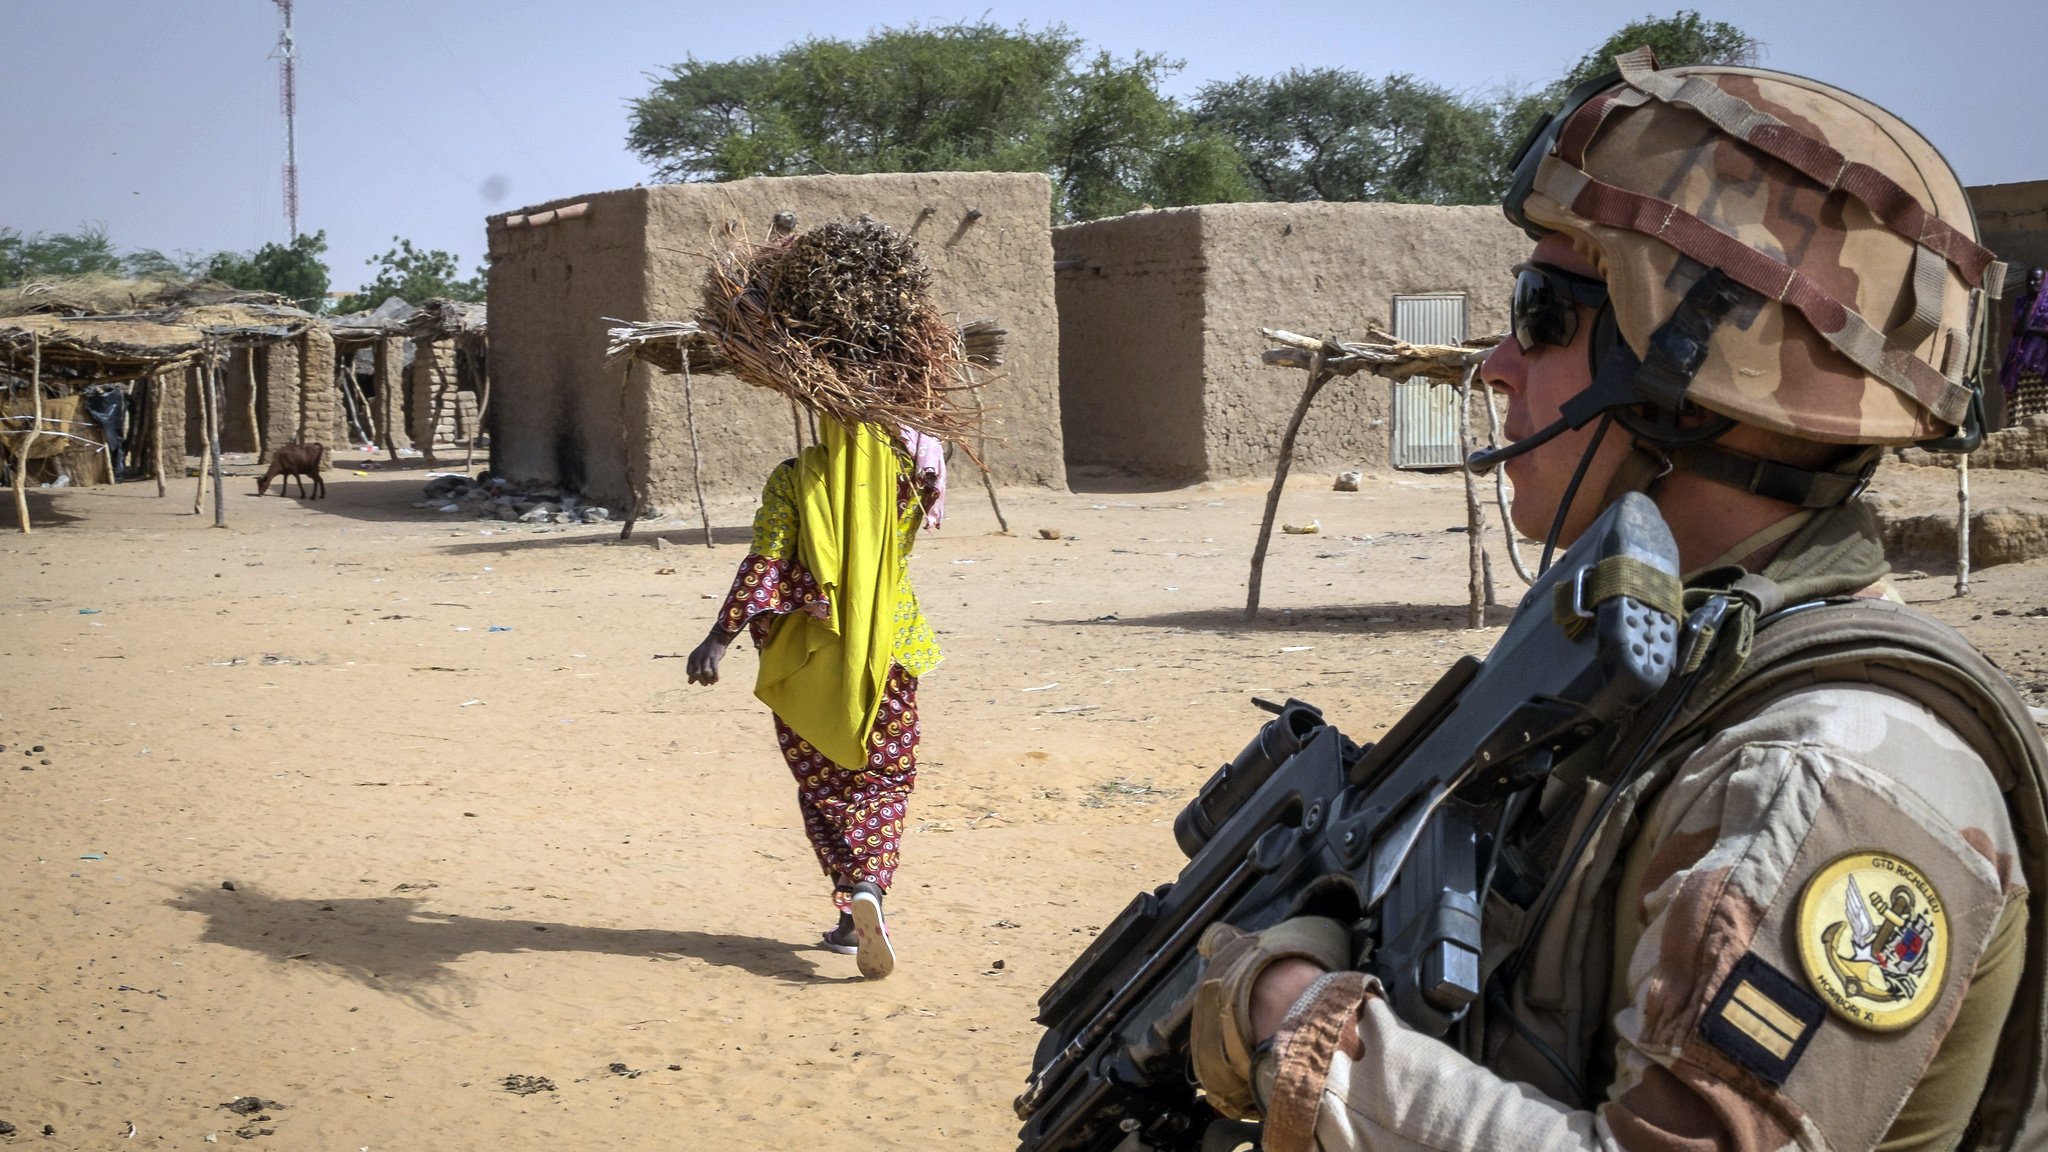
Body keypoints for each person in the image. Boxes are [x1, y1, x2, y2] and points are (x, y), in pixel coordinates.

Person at [1189, 49, 2048, 1152]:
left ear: (1695, 372)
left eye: (1540, 314)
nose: (1497, 363)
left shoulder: (1826, 775)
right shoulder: (1668, 667)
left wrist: (1290, 1018)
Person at [687, 421, 945, 980]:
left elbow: (766, 561)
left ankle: (852, 909)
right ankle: (868, 890)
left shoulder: (794, 479)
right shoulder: (910, 476)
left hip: (808, 653)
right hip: (890, 647)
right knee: (884, 781)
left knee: (824, 785)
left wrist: (719, 637)